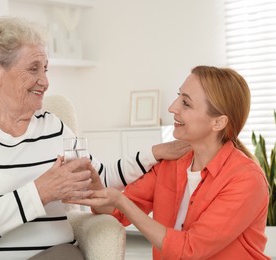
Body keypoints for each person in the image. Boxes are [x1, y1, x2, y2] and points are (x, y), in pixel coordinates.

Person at [0, 16, 189, 259]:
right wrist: (42, 191)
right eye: (33, 69)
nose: (45, 81)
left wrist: (154, 153)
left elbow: (99, 178)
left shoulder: (53, 127)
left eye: (46, 69)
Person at [70, 66, 270, 259]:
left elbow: (189, 250)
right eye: (178, 96)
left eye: (186, 103)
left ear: (218, 122)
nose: (172, 107)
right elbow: (115, 213)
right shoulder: (172, 163)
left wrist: (121, 201)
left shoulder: (246, 179)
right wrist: (99, 192)